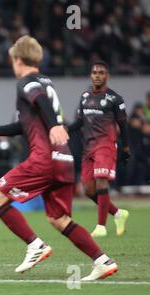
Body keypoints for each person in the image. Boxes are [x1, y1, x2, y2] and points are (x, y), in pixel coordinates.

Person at [0, 35, 117, 281]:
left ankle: (34, 245)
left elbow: (40, 100)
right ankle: (102, 261)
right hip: (64, 158)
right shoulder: (46, 81)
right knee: (59, 219)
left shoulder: (27, 82)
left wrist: (55, 125)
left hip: (44, 158)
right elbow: (24, 124)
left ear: (18, 59)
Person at [68, 61, 130, 237]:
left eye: (101, 72)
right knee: (88, 190)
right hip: (88, 148)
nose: (97, 75)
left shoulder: (115, 99)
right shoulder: (85, 96)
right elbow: (80, 121)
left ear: (107, 76)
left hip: (106, 145)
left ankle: (101, 226)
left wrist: (126, 148)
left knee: (101, 180)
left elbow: (123, 125)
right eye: (94, 72)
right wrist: (65, 129)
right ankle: (118, 214)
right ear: (90, 75)